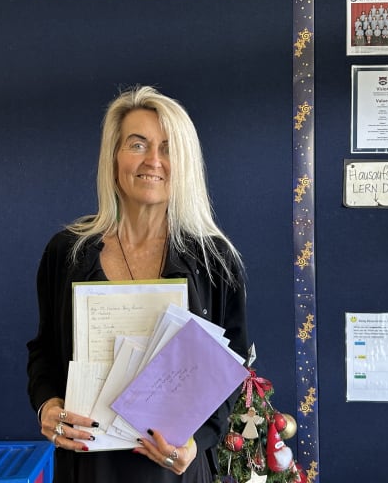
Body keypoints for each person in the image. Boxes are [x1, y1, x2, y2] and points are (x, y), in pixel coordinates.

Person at [27, 85, 249, 482]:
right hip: (89, 467)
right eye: (137, 144)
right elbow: (44, 350)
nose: (154, 160)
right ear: (113, 158)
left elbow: (233, 367)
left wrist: (198, 441)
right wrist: (46, 405)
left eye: (167, 148)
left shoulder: (215, 261)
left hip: (175, 470)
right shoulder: (66, 253)